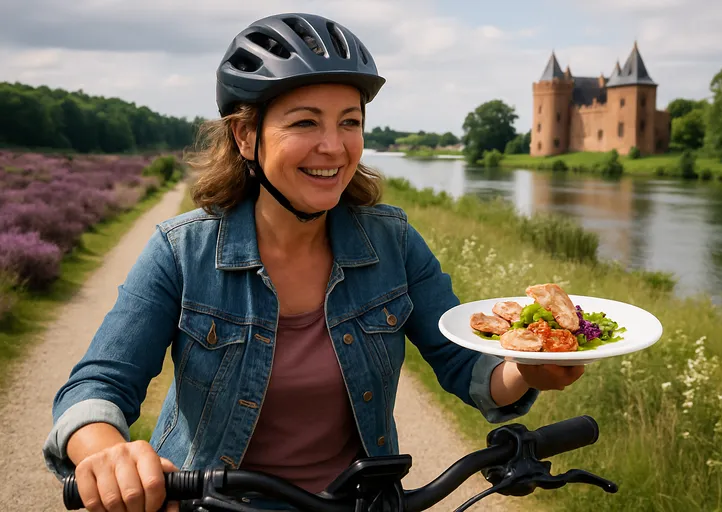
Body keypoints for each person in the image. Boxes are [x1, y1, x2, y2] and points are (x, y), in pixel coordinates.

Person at [43, 12, 585, 512]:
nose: (334, 146)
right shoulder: (182, 252)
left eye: (349, 122)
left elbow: (467, 364)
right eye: (305, 123)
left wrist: (525, 369)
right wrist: (108, 453)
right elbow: (95, 386)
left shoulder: (392, 242)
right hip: (217, 502)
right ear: (245, 136)